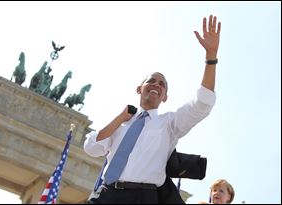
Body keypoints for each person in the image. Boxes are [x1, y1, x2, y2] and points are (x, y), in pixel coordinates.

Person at [84, 14, 221, 204]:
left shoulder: (169, 124)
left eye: (162, 84)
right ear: (139, 88)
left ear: (165, 97)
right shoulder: (122, 123)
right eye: (151, 81)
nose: (156, 85)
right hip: (106, 195)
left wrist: (211, 58)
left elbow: (202, 103)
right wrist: (119, 119)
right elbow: (92, 147)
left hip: (143, 197)